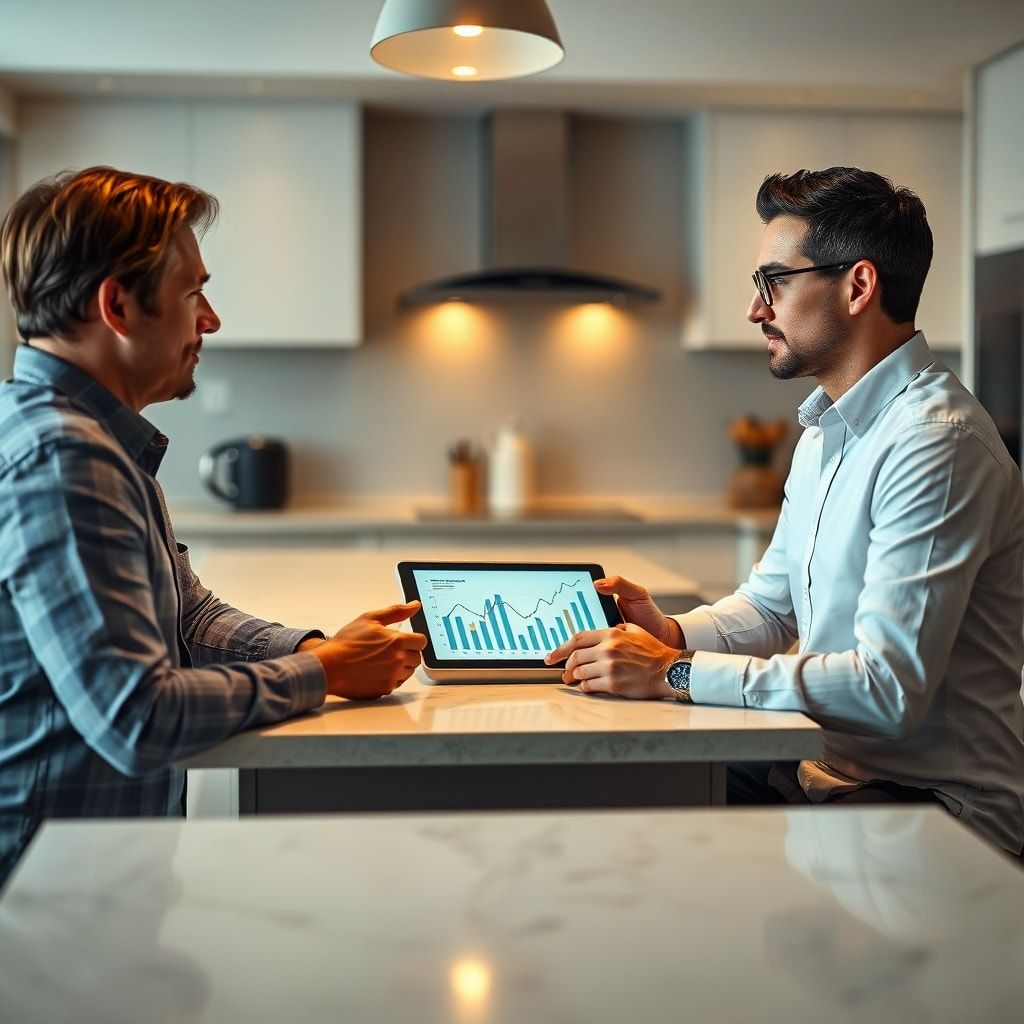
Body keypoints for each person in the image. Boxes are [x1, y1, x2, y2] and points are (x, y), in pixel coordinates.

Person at [546, 167, 1024, 857]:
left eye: (775, 281)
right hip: (832, 775)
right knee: (631, 807)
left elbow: (886, 691)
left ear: (858, 286)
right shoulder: (829, 429)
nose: (755, 308)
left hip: (938, 814)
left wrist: (671, 674)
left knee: (659, 848)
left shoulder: (936, 443)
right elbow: (773, 609)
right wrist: (674, 634)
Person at [0, 167, 427, 885]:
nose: (211, 318)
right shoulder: (63, 457)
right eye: (193, 291)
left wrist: (322, 647)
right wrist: (320, 673)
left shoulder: (97, 443)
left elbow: (188, 618)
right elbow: (137, 719)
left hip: (85, 874)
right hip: (48, 890)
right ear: (118, 306)